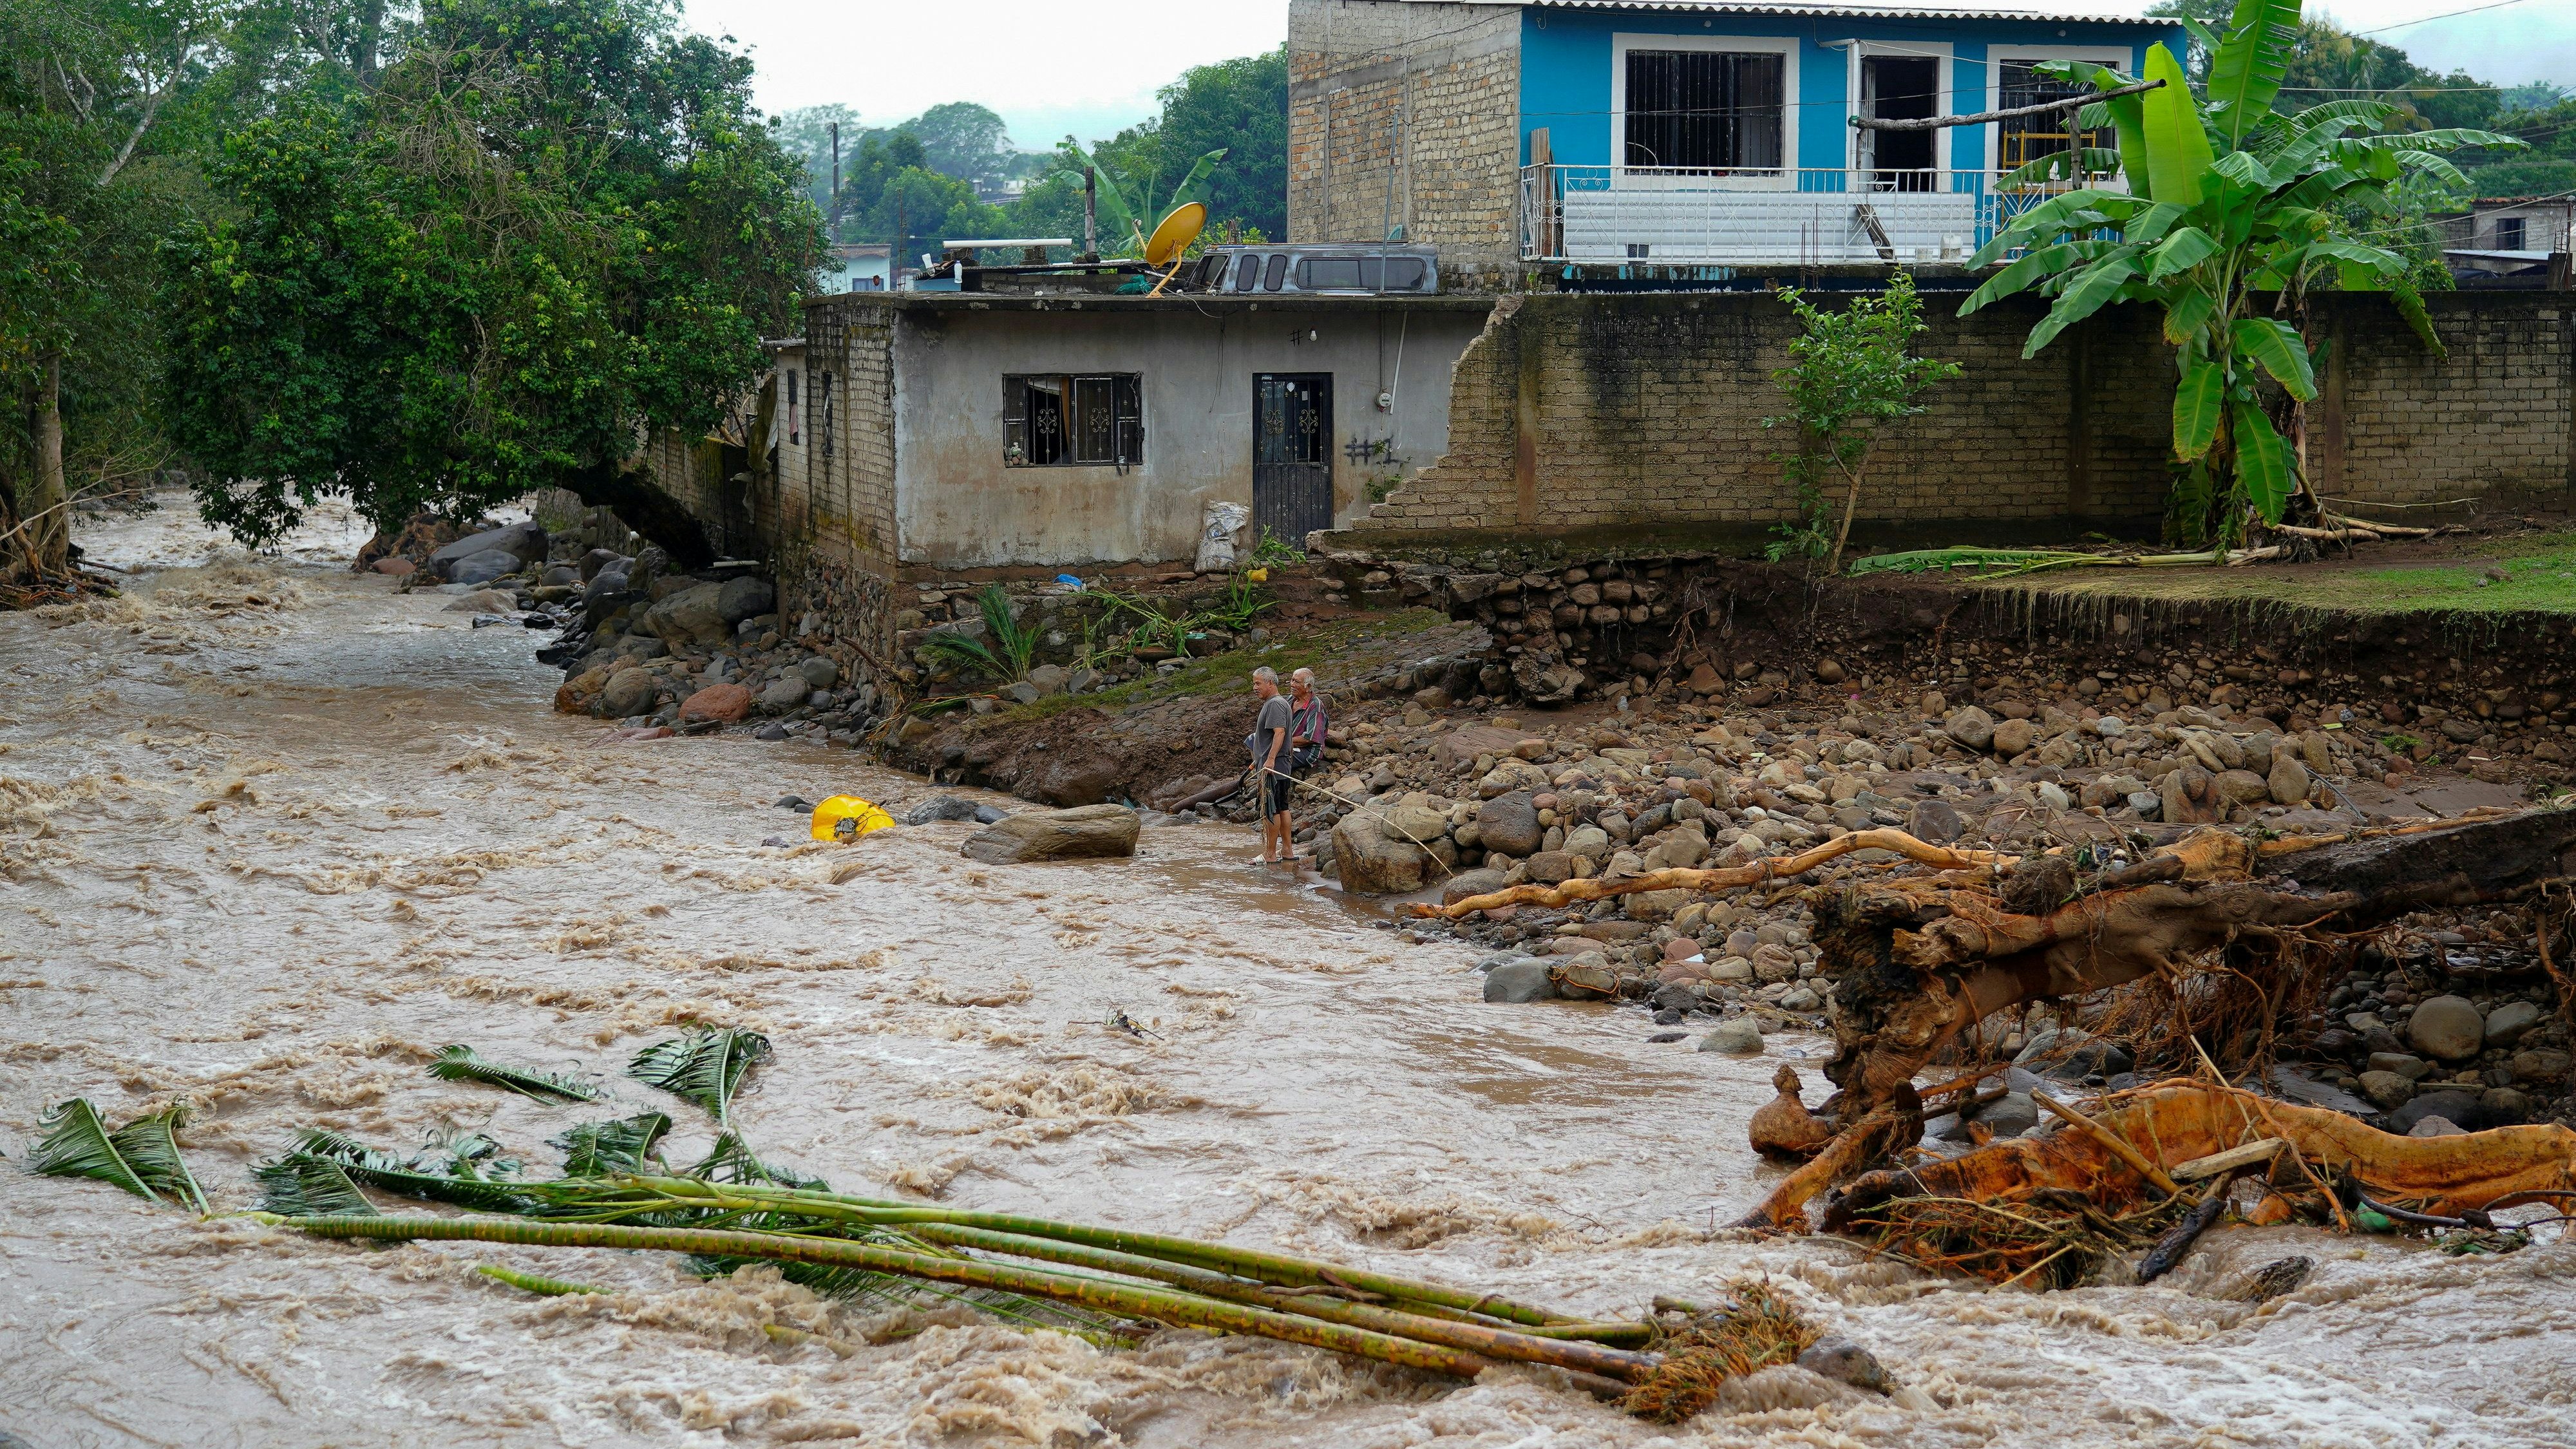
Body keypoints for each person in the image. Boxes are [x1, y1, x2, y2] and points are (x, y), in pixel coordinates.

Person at [1247, 666, 1294, 864]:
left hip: (1274, 766)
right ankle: (1287, 851)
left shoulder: (1274, 704)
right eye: (1254, 683)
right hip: (1279, 764)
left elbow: (1280, 732)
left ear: (1270, 683)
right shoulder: (1278, 702)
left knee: (1272, 809)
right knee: (1283, 807)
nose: (1254, 688)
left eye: (1258, 683)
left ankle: (1270, 853)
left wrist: (1270, 759)